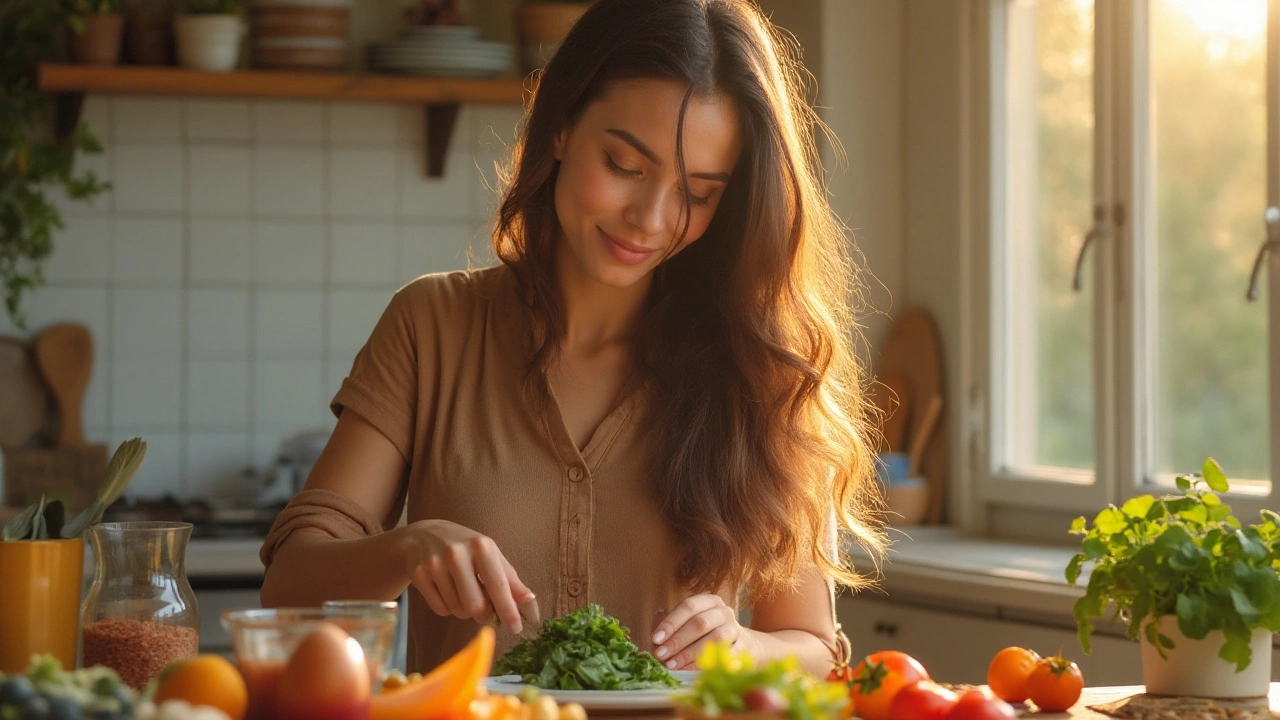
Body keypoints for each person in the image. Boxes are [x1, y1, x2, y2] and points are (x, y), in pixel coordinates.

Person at [259, 0, 885, 677]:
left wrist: (744, 646)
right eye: (624, 164)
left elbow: (815, 648)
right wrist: (409, 547)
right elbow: (290, 580)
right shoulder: (432, 326)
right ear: (559, 128)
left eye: (699, 195)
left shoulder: (756, 367)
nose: (653, 219)